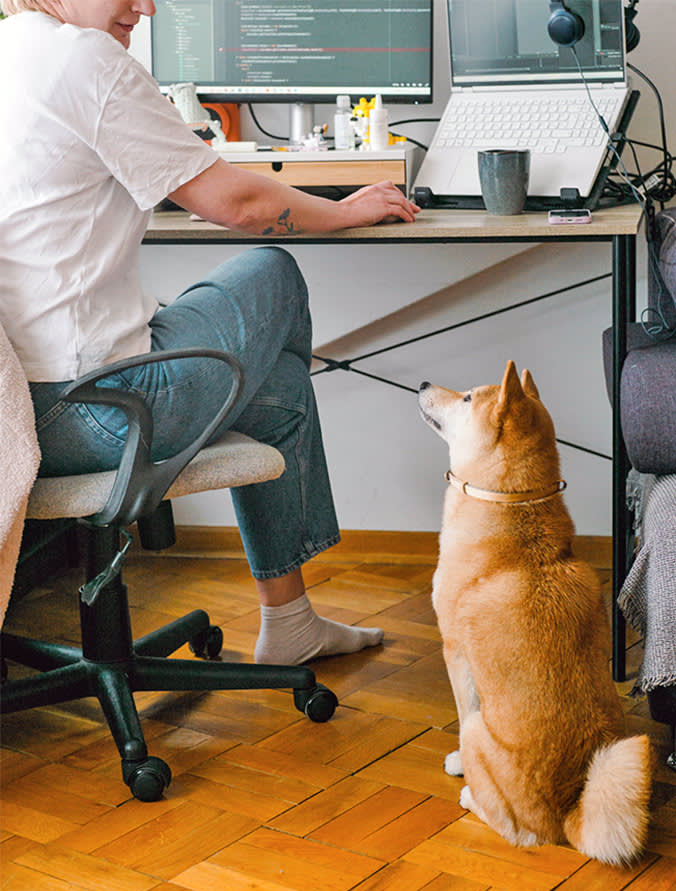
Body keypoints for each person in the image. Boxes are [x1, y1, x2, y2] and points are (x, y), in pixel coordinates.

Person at [0, 0, 420, 666]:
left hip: (21, 422)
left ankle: (291, 621)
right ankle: (286, 616)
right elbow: (240, 204)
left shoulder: (11, 53)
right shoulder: (82, 58)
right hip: (102, 411)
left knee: (277, 384)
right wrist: (343, 212)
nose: (147, 6)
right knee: (272, 271)